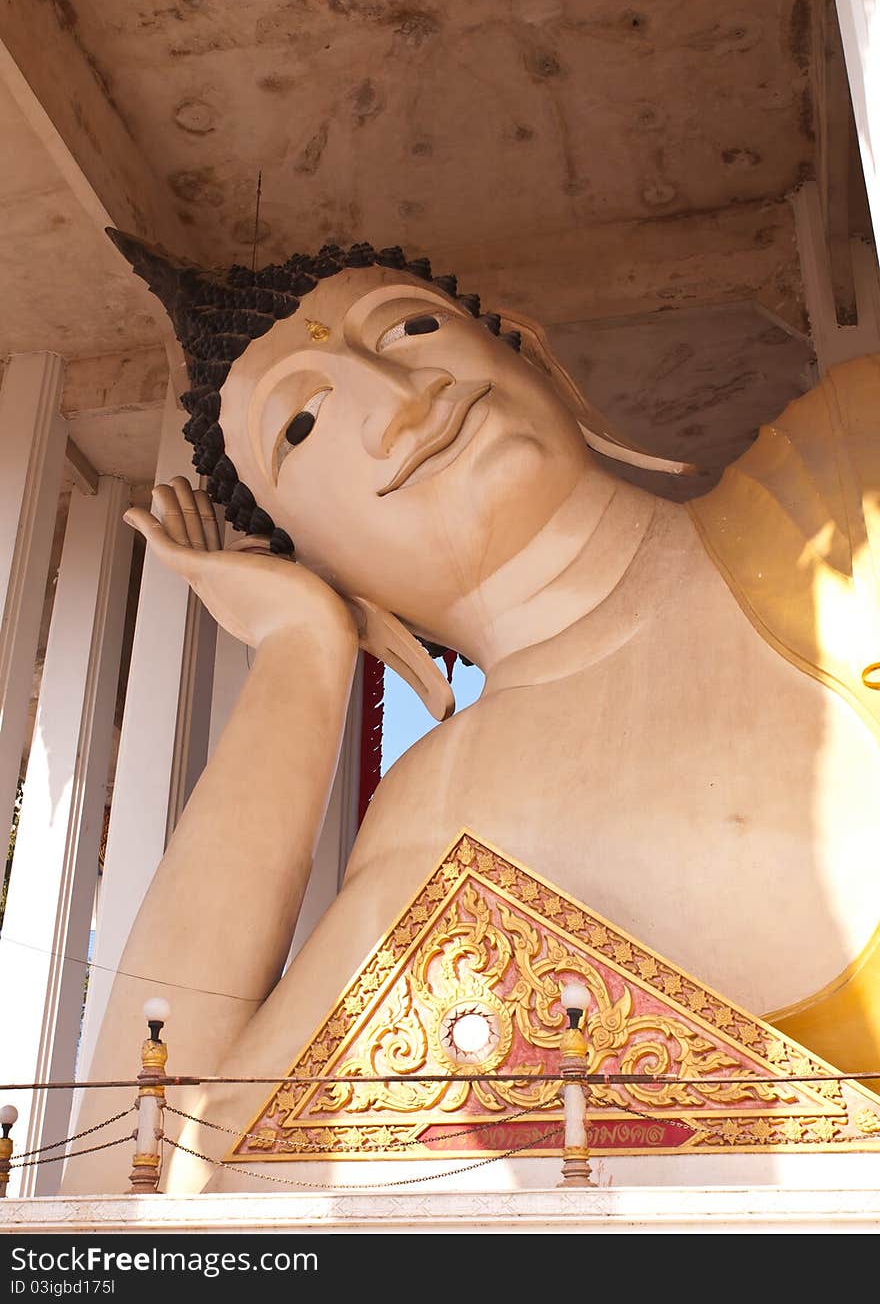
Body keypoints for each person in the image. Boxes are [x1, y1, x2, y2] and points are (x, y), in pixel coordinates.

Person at [64, 236, 880, 1192]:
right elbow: (129, 1196)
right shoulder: (445, 807)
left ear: (527, 354)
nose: (399, 401)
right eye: (303, 426)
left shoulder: (845, 461)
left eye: (411, 327)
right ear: (318, 559)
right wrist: (303, 649)